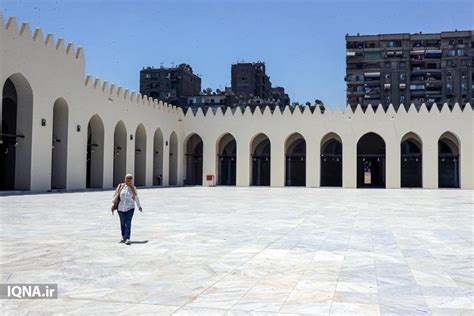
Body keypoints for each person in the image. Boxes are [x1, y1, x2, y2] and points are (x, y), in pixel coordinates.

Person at [111, 174, 143, 245]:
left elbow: (136, 197)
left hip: (130, 208)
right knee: (122, 222)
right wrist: (113, 205)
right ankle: (123, 236)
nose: (128, 181)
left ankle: (128, 238)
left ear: (131, 180)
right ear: (125, 179)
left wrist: (139, 206)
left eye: (129, 179)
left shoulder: (133, 188)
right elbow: (116, 195)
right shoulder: (121, 186)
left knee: (128, 222)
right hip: (120, 208)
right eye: (127, 179)